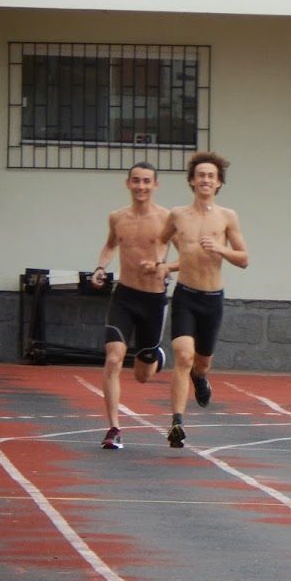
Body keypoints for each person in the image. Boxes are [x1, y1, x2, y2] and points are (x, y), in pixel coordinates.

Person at [159, 151, 249, 448]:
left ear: (219, 182)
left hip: (212, 299)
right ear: (192, 181)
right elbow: (161, 241)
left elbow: (244, 258)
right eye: (201, 175)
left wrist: (221, 250)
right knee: (182, 355)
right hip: (185, 294)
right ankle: (176, 423)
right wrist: (162, 265)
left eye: (211, 176)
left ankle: (200, 379)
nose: (206, 180)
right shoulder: (178, 215)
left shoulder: (227, 217)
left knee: (202, 363)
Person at [91, 162, 174, 450]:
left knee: (143, 375)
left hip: (153, 299)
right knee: (113, 357)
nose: (141, 186)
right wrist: (101, 267)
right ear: (127, 183)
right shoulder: (117, 217)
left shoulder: (167, 218)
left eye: (146, 181)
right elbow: (111, 245)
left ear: (155, 185)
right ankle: (114, 428)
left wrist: (164, 266)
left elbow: (181, 253)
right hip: (124, 296)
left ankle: (155, 355)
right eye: (136, 181)